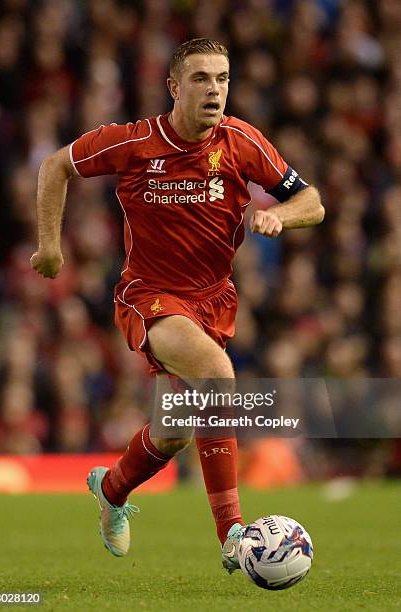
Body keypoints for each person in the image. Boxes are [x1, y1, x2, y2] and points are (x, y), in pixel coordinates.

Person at [31, 38, 324, 574]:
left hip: (215, 301)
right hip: (149, 297)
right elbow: (55, 166)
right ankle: (233, 535)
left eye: (223, 78)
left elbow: (313, 200)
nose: (214, 89)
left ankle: (111, 491)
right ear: (174, 87)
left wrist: (284, 217)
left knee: (174, 432)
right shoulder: (134, 142)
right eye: (201, 78)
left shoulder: (242, 142)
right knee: (217, 375)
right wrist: (50, 245)